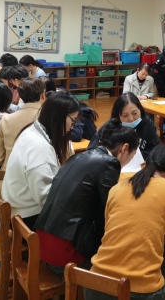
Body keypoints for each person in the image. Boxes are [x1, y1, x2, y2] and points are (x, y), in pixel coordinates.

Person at [85, 145, 165, 300]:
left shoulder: (117, 188)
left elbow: (109, 226)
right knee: (163, 265)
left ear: (146, 164)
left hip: (96, 282)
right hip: (138, 290)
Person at [34, 119, 139, 277]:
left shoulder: (81, 155)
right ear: (124, 148)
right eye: (133, 155)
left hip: (43, 241)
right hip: (65, 254)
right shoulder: (109, 163)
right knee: (126, 256)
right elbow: (109, 211)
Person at [1, 91, 80, 229]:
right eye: (72, 120)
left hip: (19, 210)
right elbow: (45, 198)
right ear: (59, 116)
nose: (72, 127)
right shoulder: (39, 147)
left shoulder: (32, 130)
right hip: (27, 218)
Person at [0, 78, 46, 192]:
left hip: (7, 186)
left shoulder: (6, 120)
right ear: (43, 95)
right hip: (37, 185)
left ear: (20, 96)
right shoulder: (49, 119)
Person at [90, 93, 159, 161]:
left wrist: (135, 157)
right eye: (125, 115)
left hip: (141, 164)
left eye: (135, 113)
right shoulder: (110, 128)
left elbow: (156, 150)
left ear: (140, 110)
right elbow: (92, 151)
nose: (131, 119)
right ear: (117, 116)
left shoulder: (148, 124)